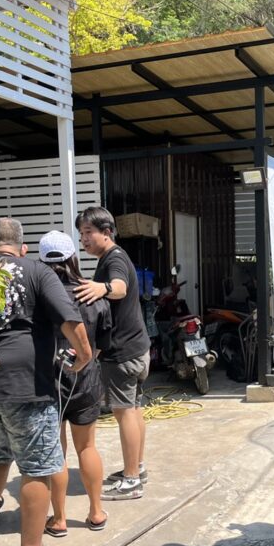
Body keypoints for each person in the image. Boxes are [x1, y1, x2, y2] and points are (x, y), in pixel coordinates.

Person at [0, 218, 92, 546]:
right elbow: (68, 317)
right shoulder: (36, 271)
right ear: (22, 248)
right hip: (27, 384)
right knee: (37, 468)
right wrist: (84, 355)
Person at [73, 207, 152, 500]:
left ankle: (131, 481)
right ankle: (137, 468)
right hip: (137, 348)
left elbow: (119, 287)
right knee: (133, 408)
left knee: (124, 412)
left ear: (106, 233)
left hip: (122, 353)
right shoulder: (113, 257)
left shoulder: (114, 259)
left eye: (88, 233)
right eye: (81, 234)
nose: (84, 239)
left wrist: (102, 287)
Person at [37, 230, 112, 535]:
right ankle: (96, 512)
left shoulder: (38, 297)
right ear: (73, 258)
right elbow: (103, 342)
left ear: (41, 261)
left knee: (57, 450)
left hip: (48, 380)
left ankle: (59, 519)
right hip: (86, 378)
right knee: (88, 447)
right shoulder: (92, 294)